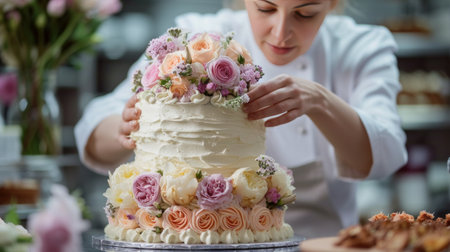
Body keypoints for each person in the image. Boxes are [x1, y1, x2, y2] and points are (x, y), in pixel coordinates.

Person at [75, 0, 407, 238]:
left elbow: (387, 153)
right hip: (204, 242)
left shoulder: (361, 46)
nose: (281, 33)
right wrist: (124, 127)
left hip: (323, 242)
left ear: (333, 4)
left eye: (305, 13)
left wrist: (321, 101)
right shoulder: (199, 38)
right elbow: (94, 124)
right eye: (265, 9)